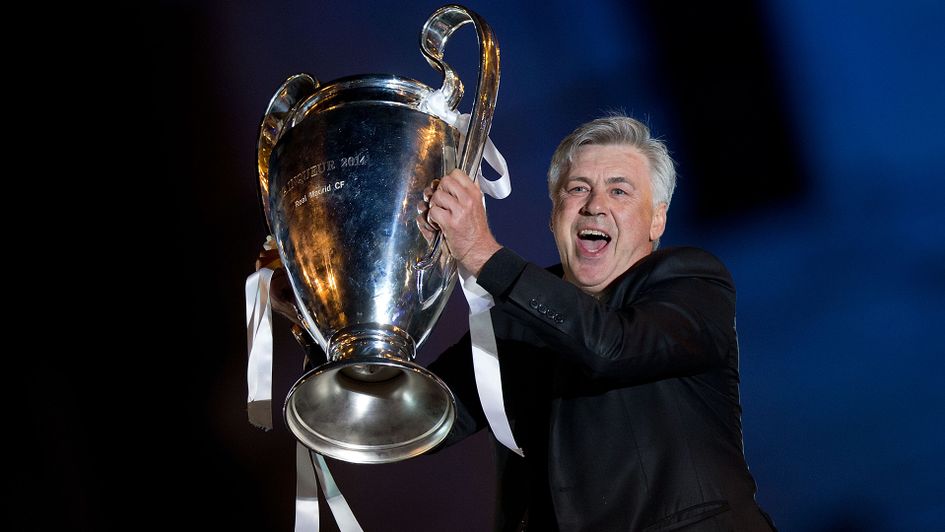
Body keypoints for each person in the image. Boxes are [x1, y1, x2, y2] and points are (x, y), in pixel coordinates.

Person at [418, 114, 777, 531]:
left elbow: (610, 346)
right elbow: (421, 420)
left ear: (656, 220)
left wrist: (481, 253)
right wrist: (347, 332)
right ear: (554, 215)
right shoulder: (513, 319)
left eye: (619, 190)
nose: (595, 205)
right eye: (577, 189)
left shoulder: (692, 280)